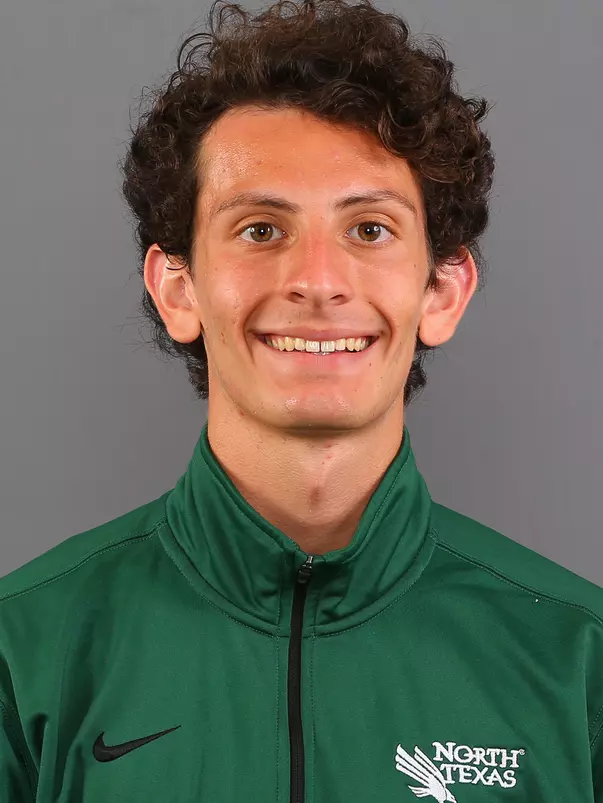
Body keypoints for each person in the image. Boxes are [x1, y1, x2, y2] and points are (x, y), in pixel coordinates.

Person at [1, 0, 602, 799]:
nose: (316, 280)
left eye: (369, 230)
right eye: (260, 229)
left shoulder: (578, 660)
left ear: (441, 291)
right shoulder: (21, 655)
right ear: (177, 288)